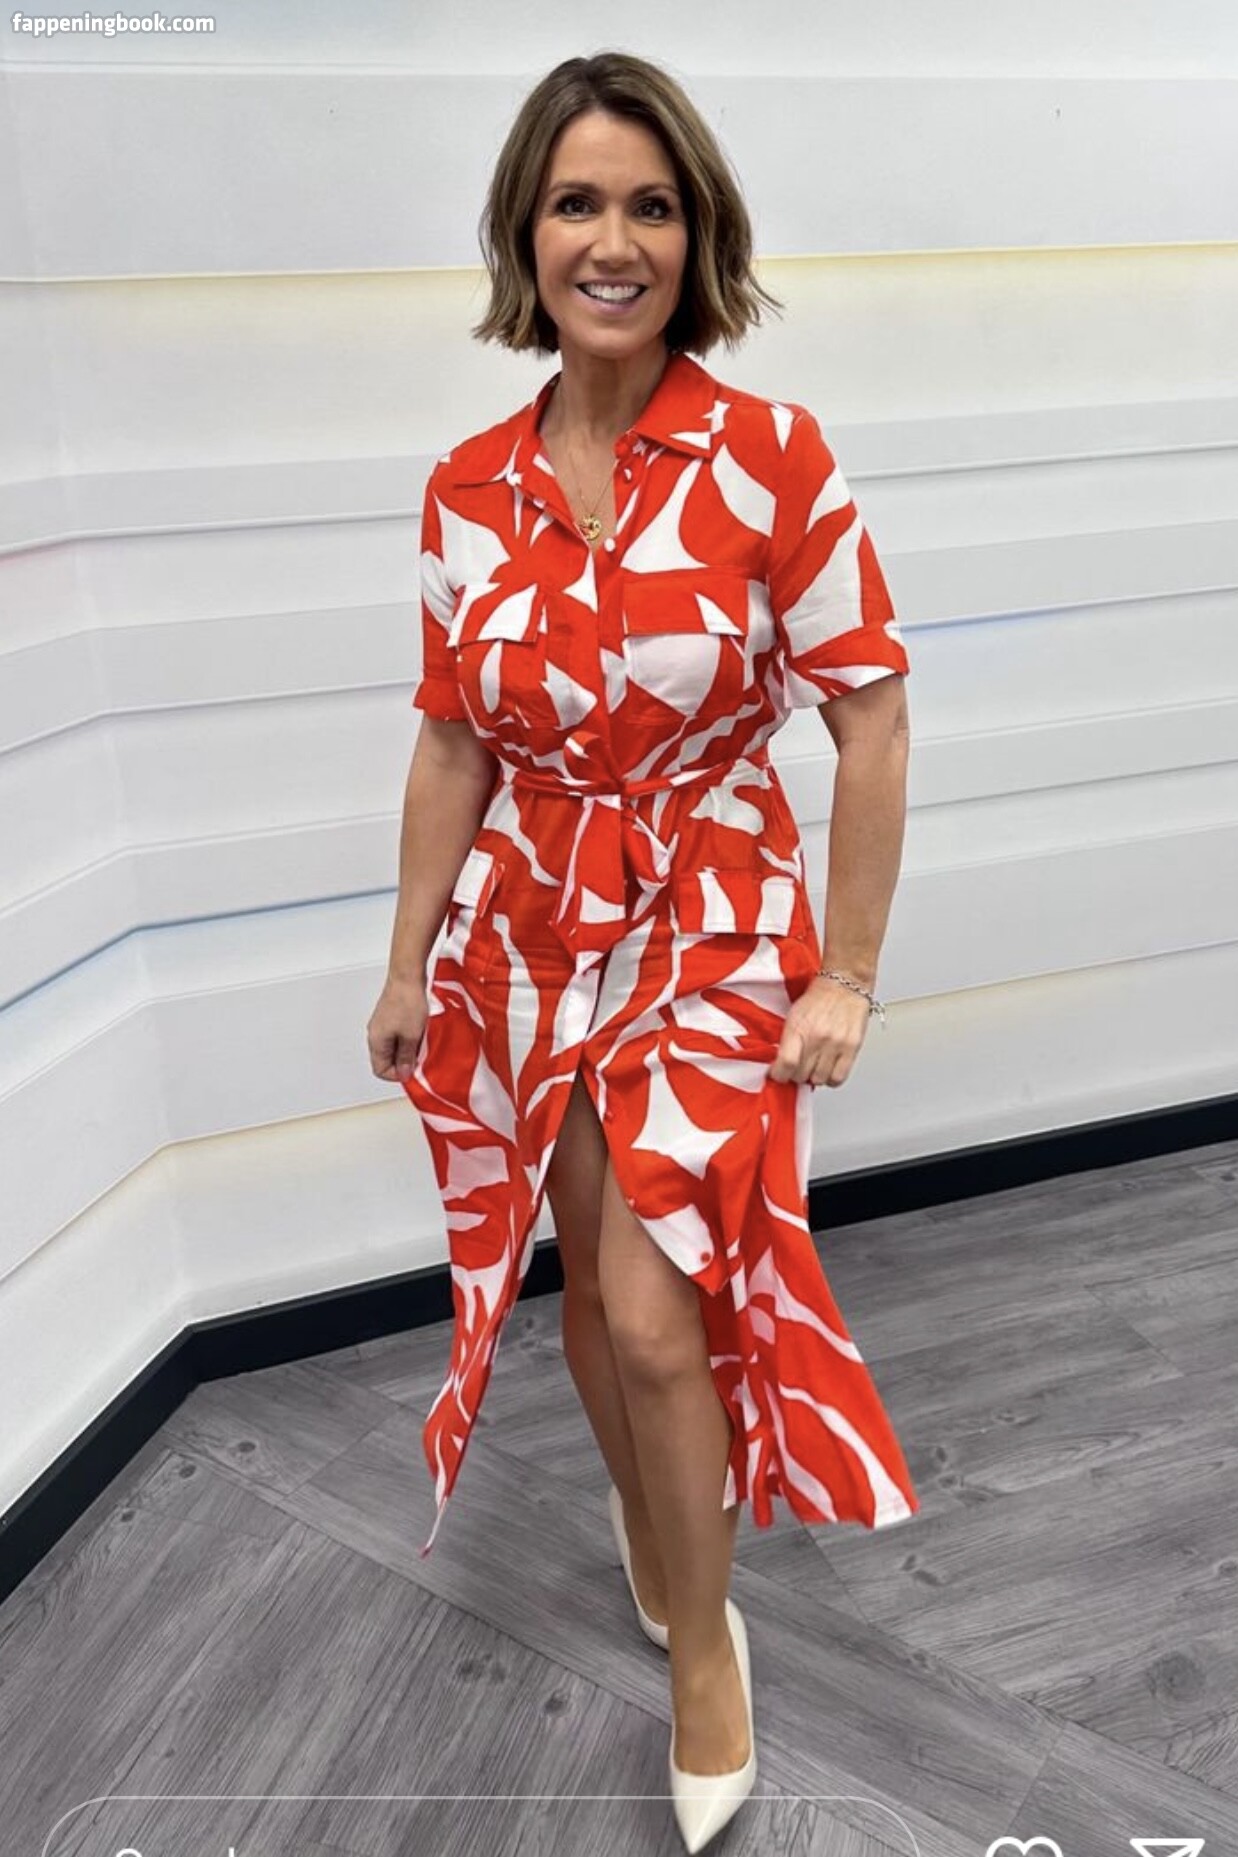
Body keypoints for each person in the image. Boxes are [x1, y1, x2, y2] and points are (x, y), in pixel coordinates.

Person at [367, 50, 920, 1853]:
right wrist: (406, 958)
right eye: (577, 203)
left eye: (651, 206)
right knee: (590, 1289)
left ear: (699, 236)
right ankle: (655, 1517)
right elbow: (451, 739)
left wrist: (845, 970)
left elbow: (868, 713)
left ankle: (702, 1645)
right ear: (525, 235)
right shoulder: (466, 488)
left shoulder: (771, 458)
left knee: (653, 1304)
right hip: (535, 923)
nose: (614, 241)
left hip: (711, 908)